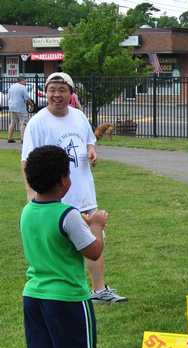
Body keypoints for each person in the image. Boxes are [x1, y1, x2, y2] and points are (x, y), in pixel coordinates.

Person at [20, 145, 112, 348]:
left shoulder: (28, 211)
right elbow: (93, 251)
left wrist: (80, 223)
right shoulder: (68, 214)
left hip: (34, 295)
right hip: (68, 299)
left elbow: (54, 232)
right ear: (63, 181)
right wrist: (96, 224)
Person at [21, 72, 127, 304]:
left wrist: (91, 151)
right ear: (46, 93)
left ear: (70, 94)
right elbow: (27, 161)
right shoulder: (37, 123)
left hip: (83, 191)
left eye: (61, 90)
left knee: (94, 237)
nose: (56, 95)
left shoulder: (78, 116)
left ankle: (99, 290)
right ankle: (64, 290)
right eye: (52, 90)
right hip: (55, 196)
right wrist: (32, 194)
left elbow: (89, 140)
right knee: (61, 245)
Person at [7, 76, 32, 143]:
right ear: (22, 80)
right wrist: (32, 105)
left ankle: (9, 138)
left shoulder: (11, 86)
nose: (26, 82)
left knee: (12, 122)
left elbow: (8, 96)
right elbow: (27, 98)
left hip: (11, 107)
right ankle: (23, 139)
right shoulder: (23, 87)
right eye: (25, 80)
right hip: (20, 107)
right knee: (23, 123)